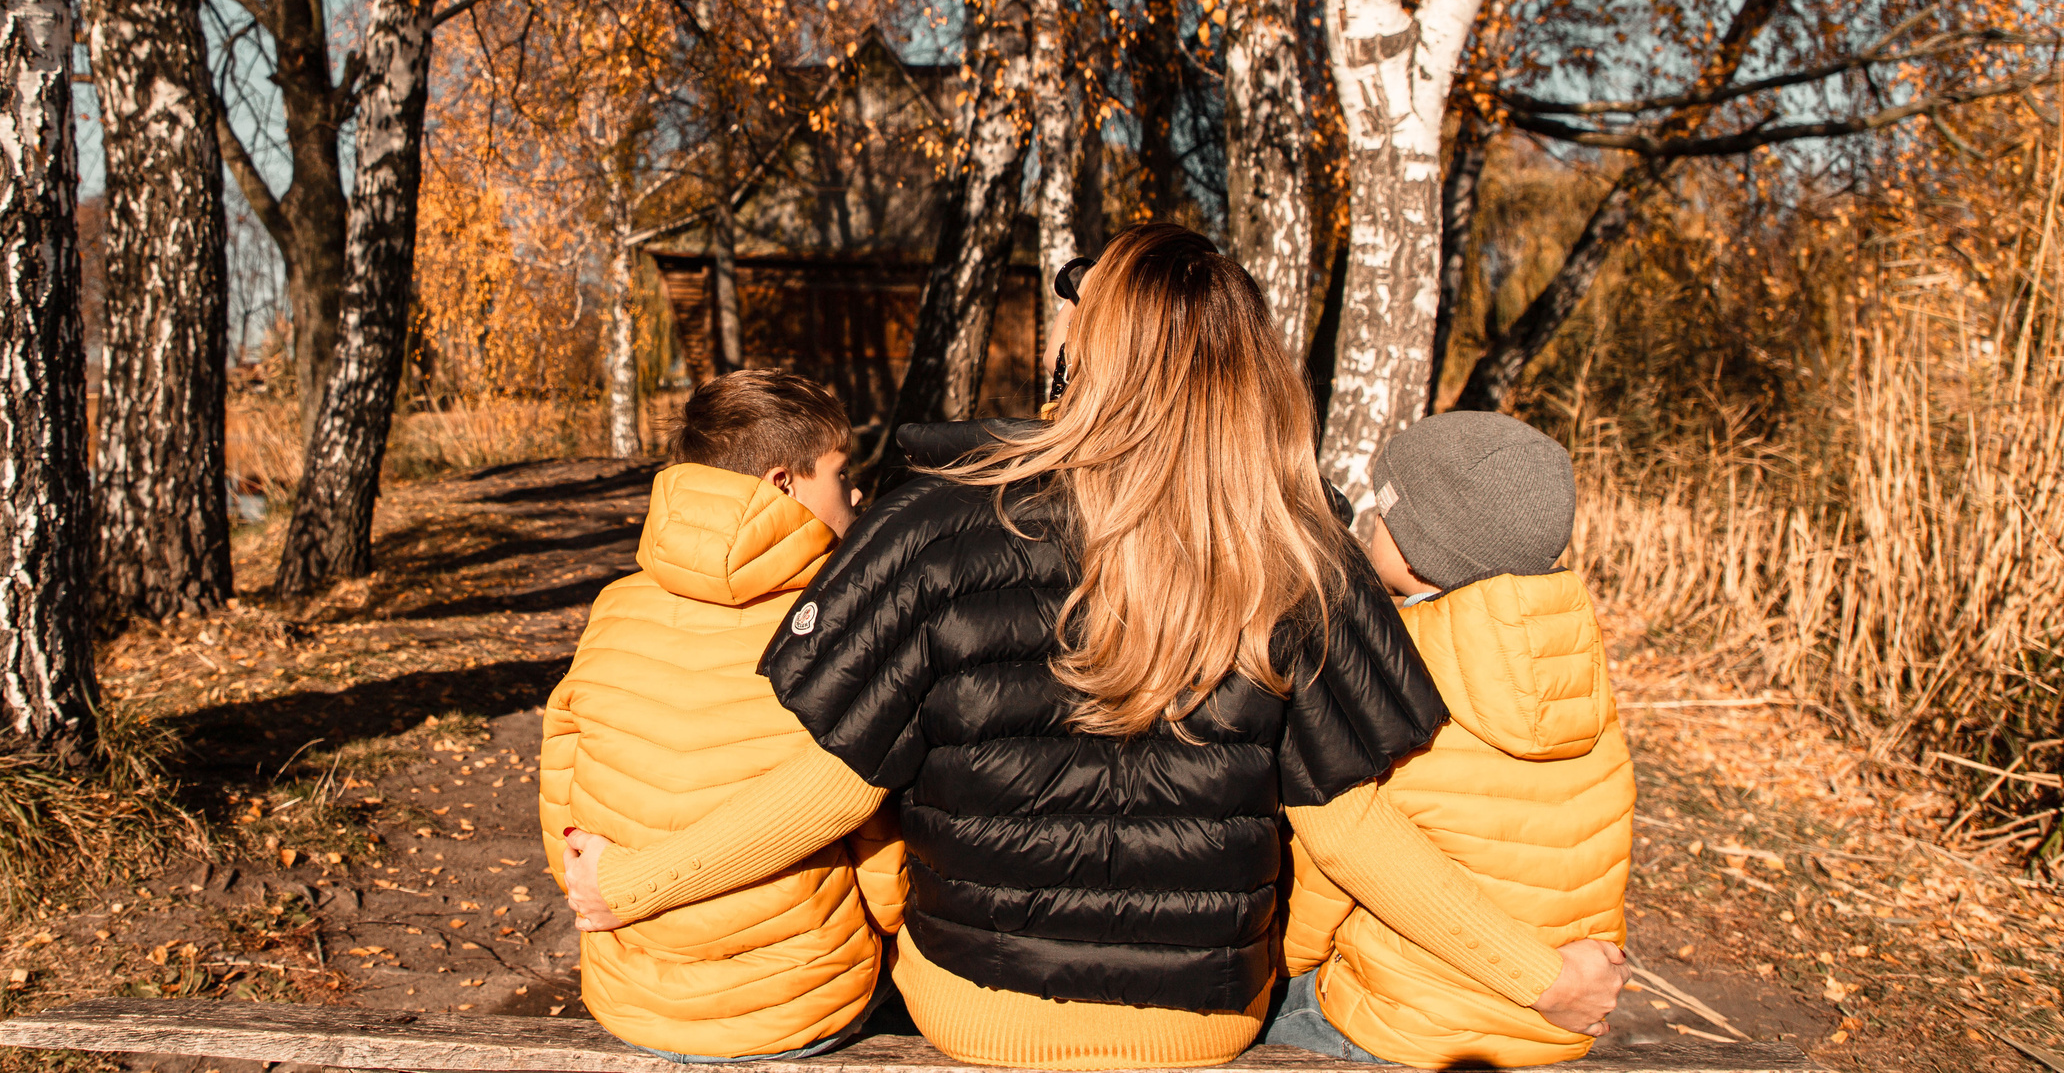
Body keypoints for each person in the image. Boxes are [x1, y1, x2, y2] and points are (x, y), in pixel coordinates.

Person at [563, 224, 1624, 1069]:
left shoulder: (931, 524)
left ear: (1085, 358)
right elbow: (1348, 831)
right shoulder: (1303, 550)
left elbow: (832, 791)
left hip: (972, 1009)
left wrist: (635, 883)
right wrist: (1544, 979)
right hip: (1202, 1025)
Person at [540, 369, 904, 1061]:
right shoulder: (836, 623)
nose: (855, 491)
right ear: (781, 483)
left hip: (630, 991)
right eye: (839, 471)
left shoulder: (616, 604)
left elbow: (562, 785)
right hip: (794, 1004)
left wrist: (599, 891)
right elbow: (879, 853)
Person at [1268, 412, 1635, 1067]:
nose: (1367, 523)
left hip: (1403, 1025)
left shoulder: (1397, 669)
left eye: (1378, 506)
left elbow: (1334, 866)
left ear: (1417, 540)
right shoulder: (1576, 661)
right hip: (1553, 1026)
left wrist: (1282, 964)